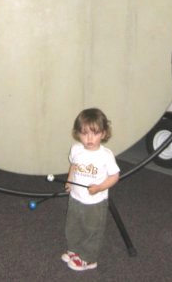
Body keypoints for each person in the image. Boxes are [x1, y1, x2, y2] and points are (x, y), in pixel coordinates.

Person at [62, 108, 120, 271]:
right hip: (76, 197)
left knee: (92, 229)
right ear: (77, 133)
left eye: (94, 133)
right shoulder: (76, 149)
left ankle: (89, 258)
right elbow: (73, 165)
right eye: (84, 133)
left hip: (95, 202)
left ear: (103, 133)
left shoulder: (105, 156)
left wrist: (100, 187)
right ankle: (74, 250)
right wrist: (69, 180)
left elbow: (115, 176)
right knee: (73, 225)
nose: (89, 138)